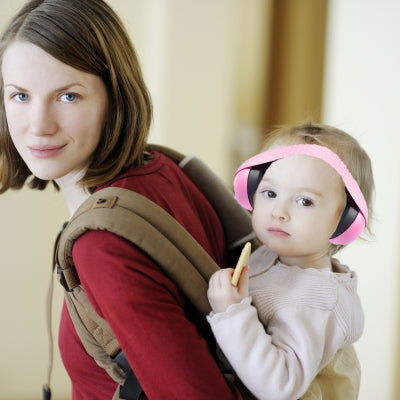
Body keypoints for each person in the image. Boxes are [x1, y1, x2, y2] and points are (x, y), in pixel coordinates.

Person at [0, 0, 242, 399]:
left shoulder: (103, 245)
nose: (38, 126)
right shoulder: (164, 167)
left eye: (68, 96)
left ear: (114, 96)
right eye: (20, 96)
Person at [207, 122, 374, 400]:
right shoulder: (274, 255)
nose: (279, 211)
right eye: (270, 194)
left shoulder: (314, 302)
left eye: (305, 202)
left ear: (345, 222)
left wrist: (232, 313)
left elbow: (279, 386)